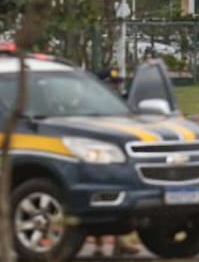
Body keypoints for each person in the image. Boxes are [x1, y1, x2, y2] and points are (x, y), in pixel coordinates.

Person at [84, 69, 139, 258]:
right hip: (96, 158)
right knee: (98, 201)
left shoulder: (119, 106)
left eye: (117, 84)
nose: (115, 88)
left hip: (118, 160)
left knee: (121, 202)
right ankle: (98, 246)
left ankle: (120, 242)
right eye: (111, 84)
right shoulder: (87, 105)